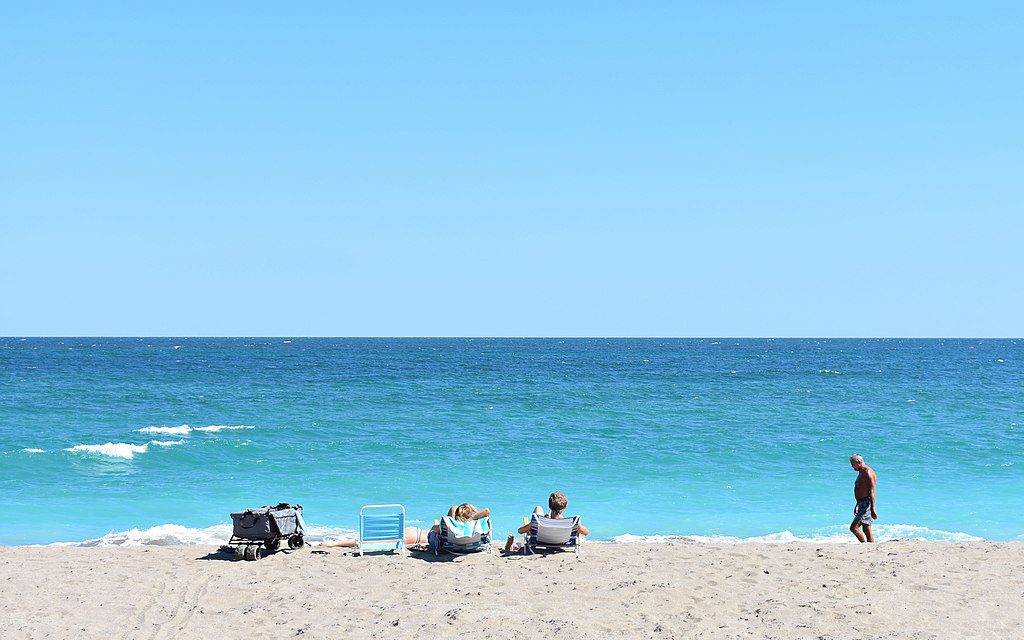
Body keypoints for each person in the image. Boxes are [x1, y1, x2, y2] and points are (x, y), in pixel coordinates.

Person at [319, 503, 490, 549]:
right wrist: (472, 518)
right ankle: (336, 543)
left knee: (374, 541)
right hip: (412, 536)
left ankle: (335, 543)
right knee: (374, 541)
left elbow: (452, 510)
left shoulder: (452, 527)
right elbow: (486, 512)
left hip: (413, 535)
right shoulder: (465, 530)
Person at [505, 491, 589, 550]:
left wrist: (533, 524)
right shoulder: (571, 523)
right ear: (565, 507)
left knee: (538, 509)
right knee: (582, 538)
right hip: (562, 542)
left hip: (541, 541)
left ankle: (513, 545)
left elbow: (520, 531)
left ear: (549, 506)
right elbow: (586, 532)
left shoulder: (540, 522)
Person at [849, 454, 878, 542]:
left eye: (853, 464)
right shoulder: (861, 472)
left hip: (866, 503)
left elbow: (872, 491)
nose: (852, 467)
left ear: (859, 462)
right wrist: (857, 504)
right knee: (866, 528)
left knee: (854, 528)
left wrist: (873, 509)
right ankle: (870, 546)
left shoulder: (868, 473)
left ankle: (864, 545)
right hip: (862, 502)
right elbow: (861, 490)